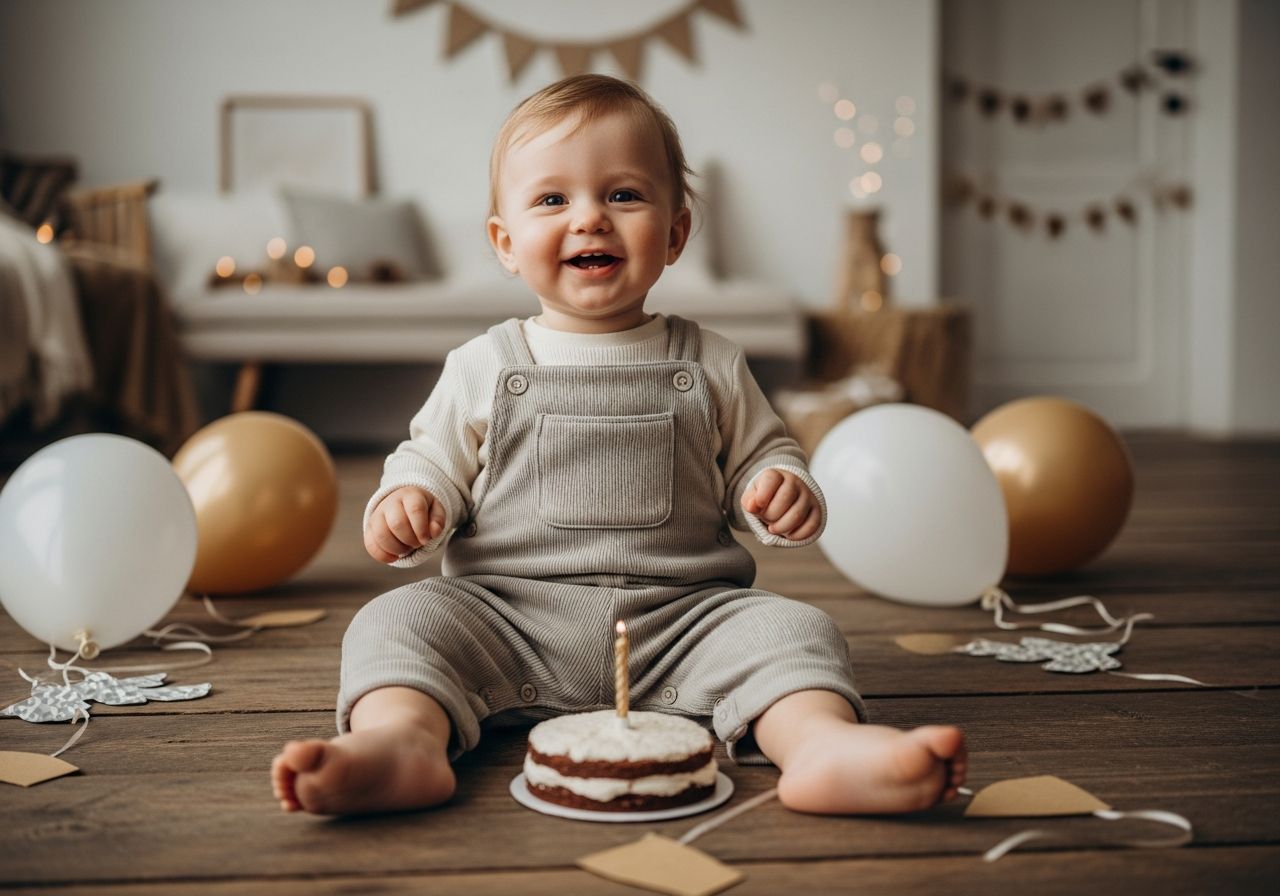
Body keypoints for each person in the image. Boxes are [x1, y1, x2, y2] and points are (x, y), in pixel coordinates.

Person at [271, 74, 966, 816]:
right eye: (552, 200)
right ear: (505, 243)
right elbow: (428, 458)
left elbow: (767, 453)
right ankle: (402, 743)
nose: (590, 220)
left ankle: (822, 747)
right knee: (396, 622)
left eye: (624, 195)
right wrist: (412, 501)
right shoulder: (484, 364)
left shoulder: (712, 362)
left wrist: (777, 487)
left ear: (675, 234)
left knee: (796, 631)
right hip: (507, 619)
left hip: (686, 618)